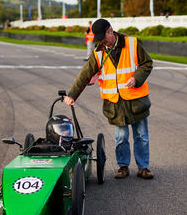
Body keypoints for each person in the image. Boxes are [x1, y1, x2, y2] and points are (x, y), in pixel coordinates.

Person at [64, 18, 154, 179]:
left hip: (136, 100)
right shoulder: (99, 52)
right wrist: (72, 95)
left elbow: (147, 63)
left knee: (141, 136)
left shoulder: (132, 44)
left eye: (103, 38)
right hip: (115, 104)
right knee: (121, 138)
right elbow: (85, 74)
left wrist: (136, 78)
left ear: (110, 31)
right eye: (99, 39)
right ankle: (123, 167)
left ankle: (143, 167)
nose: (102, 42)